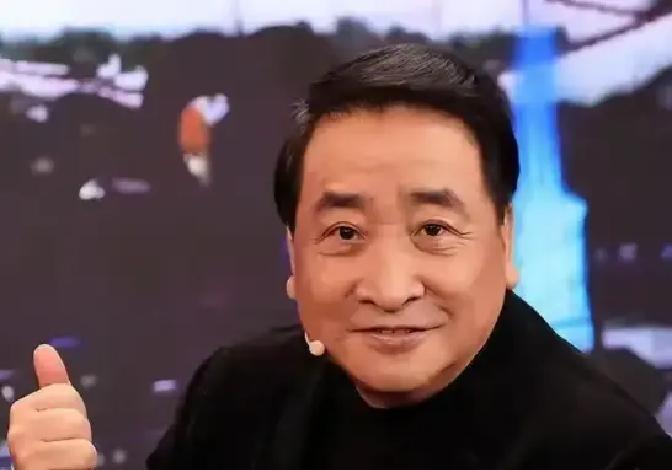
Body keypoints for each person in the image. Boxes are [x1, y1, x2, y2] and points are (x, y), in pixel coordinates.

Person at [7, 43, 672, 470]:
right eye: (346, 233)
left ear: (505, 244)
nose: (389, 287)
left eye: (433, 228)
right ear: (294, 256)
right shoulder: (236, 395)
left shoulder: (606, 454)